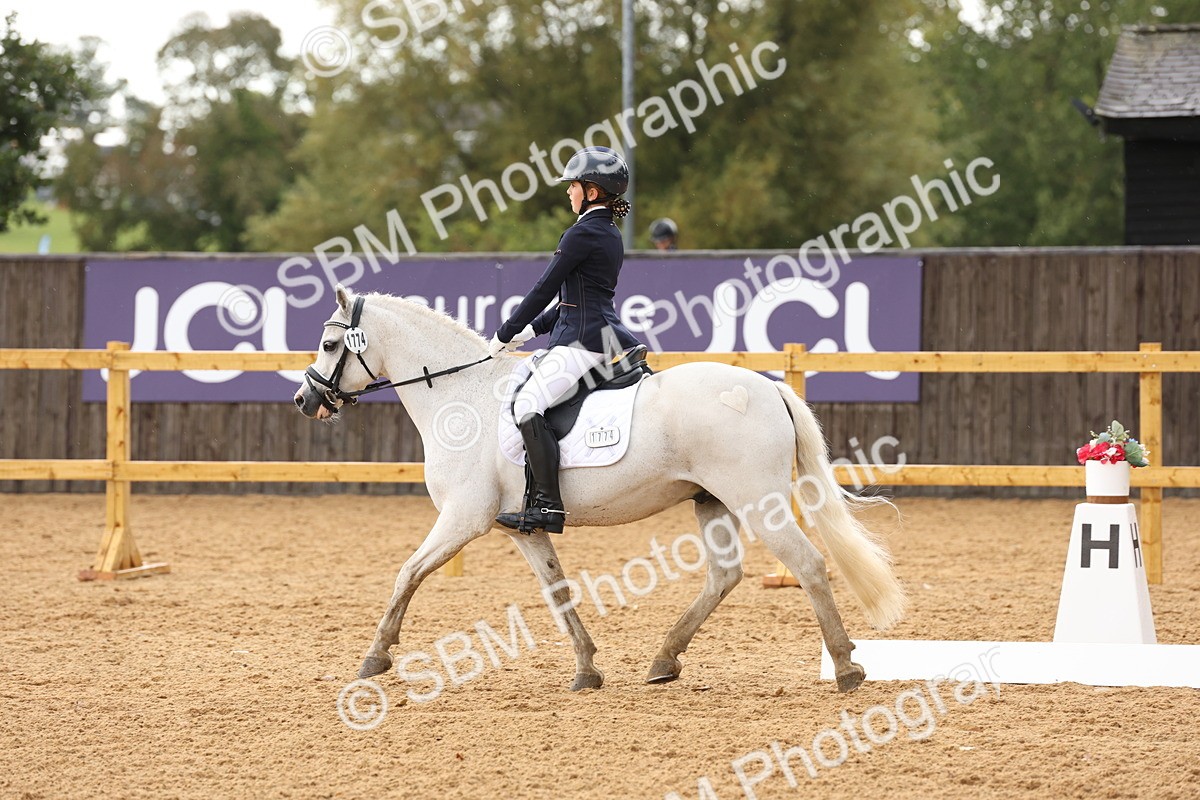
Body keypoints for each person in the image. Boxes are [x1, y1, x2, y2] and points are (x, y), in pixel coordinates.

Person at [488, 146, 643, 534]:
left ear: (592, 191)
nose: (568, 192)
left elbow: (545, 289)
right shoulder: (607, 232)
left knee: (526, 406)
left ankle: (548, 506)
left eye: (573, 185)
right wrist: (531, 331)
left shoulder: (583, 232)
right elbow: (574, 301)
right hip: (599, 335)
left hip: (581, 343)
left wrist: (505, 332)